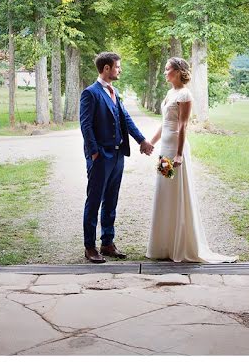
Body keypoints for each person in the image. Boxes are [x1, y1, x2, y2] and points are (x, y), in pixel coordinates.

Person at [146, 57, 238, 263]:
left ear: (178, 72)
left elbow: (183, 126)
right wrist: (151, 142)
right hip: (164, 149)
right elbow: (165, 123)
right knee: (164, 191)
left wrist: (179, 154)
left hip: (175, 150)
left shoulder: (185, 94)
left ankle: (181, 243)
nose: (164, 72)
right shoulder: (170, 93)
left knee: (176, 192)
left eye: (167, 69)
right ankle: (164, 244)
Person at [79, 52, 154, 263]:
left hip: (118, 155)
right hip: (100, 157)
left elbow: (125, 119)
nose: (119, 70)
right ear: (106, 69)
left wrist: (142, 140)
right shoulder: (90, 93)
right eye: (117, 67)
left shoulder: (115, 91)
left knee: (111, 200)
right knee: (94, 202)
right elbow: (85, 126)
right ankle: (89, 247)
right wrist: (95, 153)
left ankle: (107, 243)